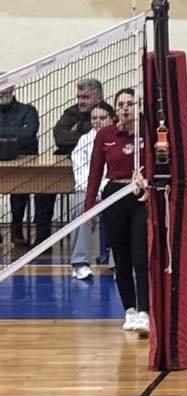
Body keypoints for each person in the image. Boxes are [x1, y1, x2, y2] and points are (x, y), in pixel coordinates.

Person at [84, 88, 149, 336]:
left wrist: (148, 181)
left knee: (140, 258)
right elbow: (95, 171)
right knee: (121, 259)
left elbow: (157, 161)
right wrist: (89, 207)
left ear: (138, 106)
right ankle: (129, 309)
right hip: (114, 195)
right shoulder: (106, 134)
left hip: (139, 195)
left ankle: (144, 311)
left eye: (130, 104)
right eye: (120, 104)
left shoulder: (147, 131)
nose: (125, 108)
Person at [67, 101, 115, 281]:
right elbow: (79, 171)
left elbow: (116, 170)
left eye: (102, 118)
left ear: (112, 119)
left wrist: (103, 189)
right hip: (87, 190)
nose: (97, 121)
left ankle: (119, 264)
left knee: (124, 209)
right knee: (81, 207)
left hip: (111, 189)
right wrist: (92, 192)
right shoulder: (84, 141)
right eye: (94, 118)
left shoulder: (118, 138)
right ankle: (80, 263)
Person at [1, 83, 48, 250]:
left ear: (12, 88)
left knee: (20, 188)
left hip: (23, 161)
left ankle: (16, 227)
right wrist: (16, 132)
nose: (2, 90)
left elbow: (28, 133)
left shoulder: (28, 110)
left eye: (5, 85)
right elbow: (22, 133)